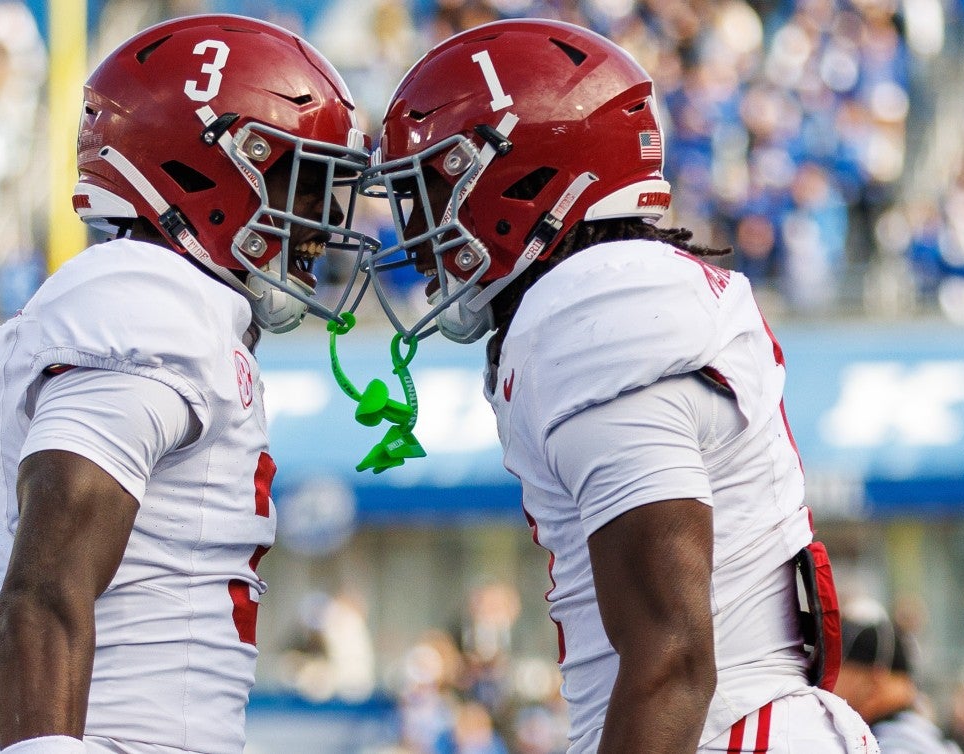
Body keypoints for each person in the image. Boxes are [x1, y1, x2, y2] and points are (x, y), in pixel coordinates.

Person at [358, 18, 879, 754]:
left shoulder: (594, 308)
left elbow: (672, 659)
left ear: (523, 177)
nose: (420, 233)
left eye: (439, 189)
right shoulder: (623, 292)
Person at [0, 14, 373, 754]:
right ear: (210, 170)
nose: (322, 222)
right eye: (307, 183)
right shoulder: (145, 297)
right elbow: (45, 584)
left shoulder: (181, 307)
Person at [834, 597, 962, 752]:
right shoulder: (913, 731)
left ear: (876, 677)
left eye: (838, 669)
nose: (828, 681)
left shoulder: (895, 743)